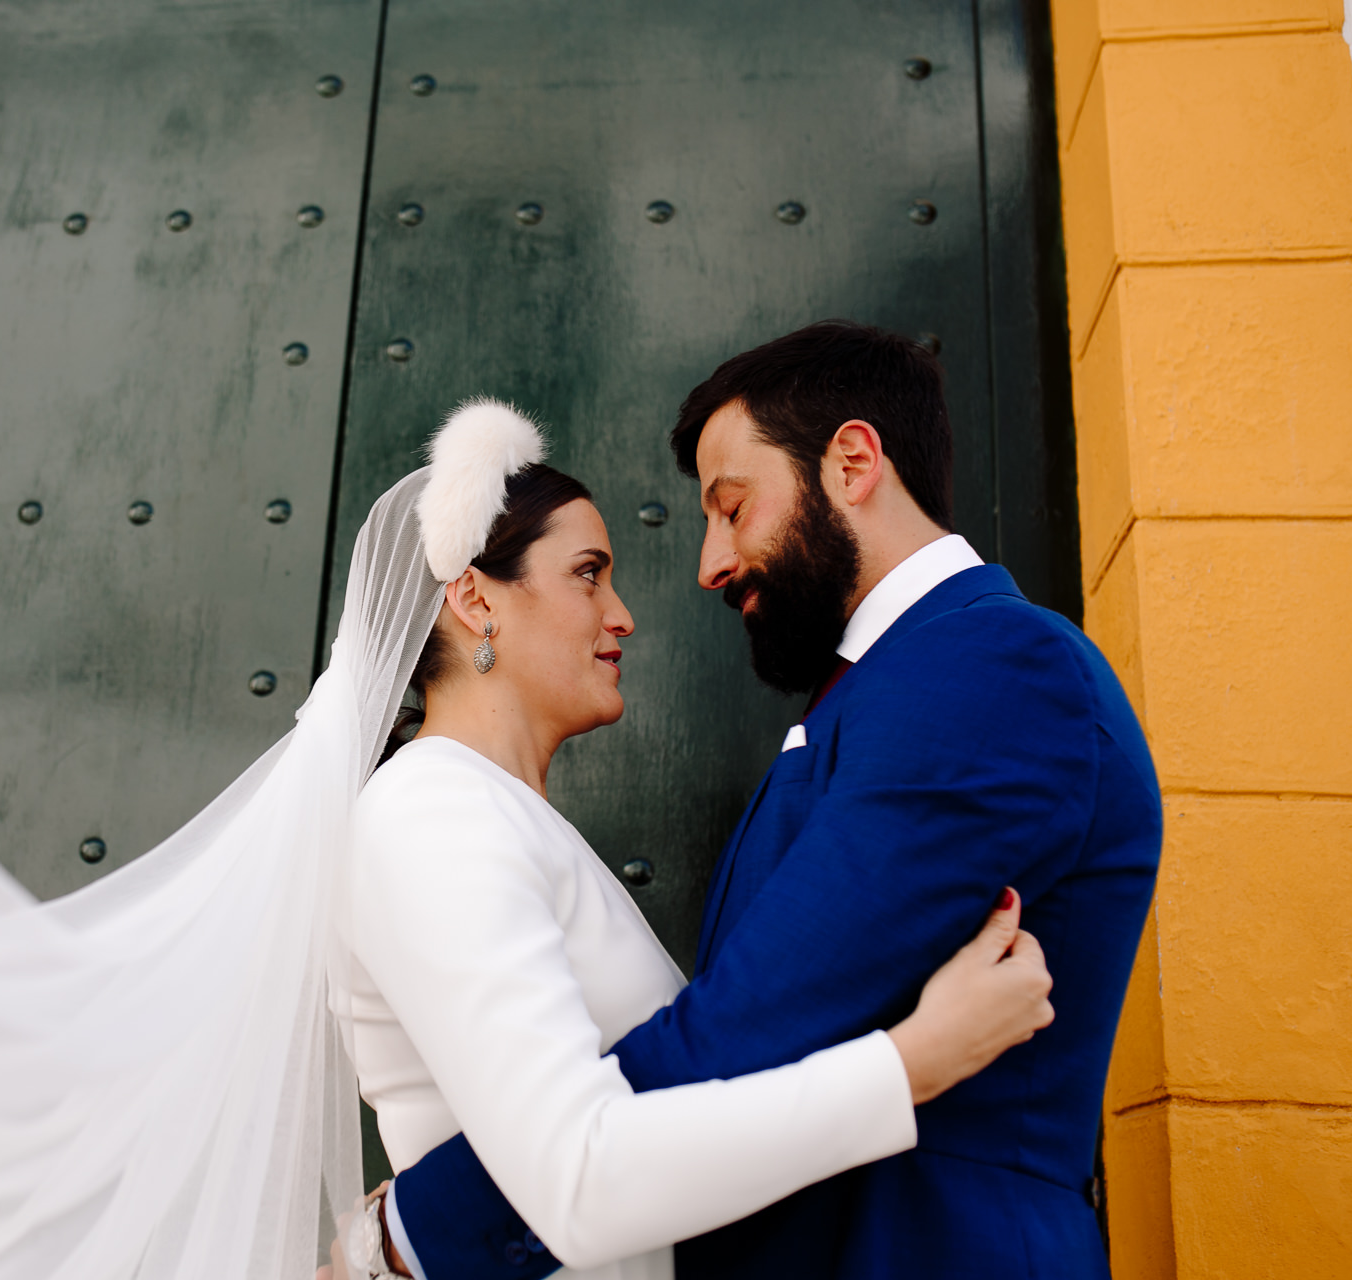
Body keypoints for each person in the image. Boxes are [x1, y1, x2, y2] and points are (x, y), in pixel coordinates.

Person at [376, 324, 1163, 1280]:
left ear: (852, 463)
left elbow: (760, 1022)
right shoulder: (882, 692)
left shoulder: (992, 667)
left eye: (732, 508)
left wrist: (414, 1236)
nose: (708, 562)